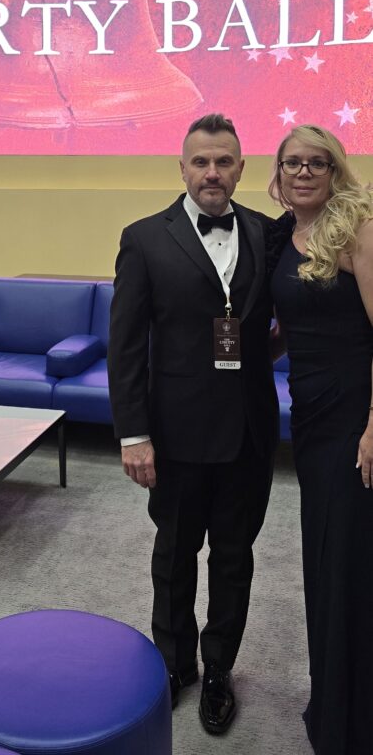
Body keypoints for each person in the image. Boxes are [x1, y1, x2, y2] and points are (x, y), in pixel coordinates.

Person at [107, 112, 278, 735]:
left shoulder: (266, 233)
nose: (212, 172)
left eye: (224, 161)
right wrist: (134, 434)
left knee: (234, 559)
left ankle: (218, 670)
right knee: (175, 555)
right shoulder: (144, 238)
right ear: (181, 168)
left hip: (250, 436)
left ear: (241, 168)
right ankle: (174, 664)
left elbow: (269, 328)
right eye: (201, 161)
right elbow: (124, 345)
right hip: (173, 436)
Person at [268, 124, 373, 755]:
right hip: (308, 412)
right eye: (293, 163)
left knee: (349, 563)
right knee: (324, 558)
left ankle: (353, 724)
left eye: (318, 163)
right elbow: (294, 323)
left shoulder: (359, 227)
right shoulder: (284, 236)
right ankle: (331, 700)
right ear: (278, 175)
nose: (305, 172)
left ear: (335, 171)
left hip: (352, 414)